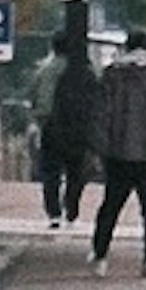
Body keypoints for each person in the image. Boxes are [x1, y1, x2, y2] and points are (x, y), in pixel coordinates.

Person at [88, 30, 146, 270]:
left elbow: (101, 114)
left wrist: (99, 147)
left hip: (119, 151)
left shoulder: (112, 75)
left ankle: (101, 254)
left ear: (126, 47)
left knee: (111, 205)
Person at [34, 12, 99, 234]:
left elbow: (37, 99)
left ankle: (53, 213)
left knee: (50, 171)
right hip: (76, 126)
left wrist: (40, 119)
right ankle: (72, 211)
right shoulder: (84, 71)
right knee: (76, 171)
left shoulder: (44, 70)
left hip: (51, 125)